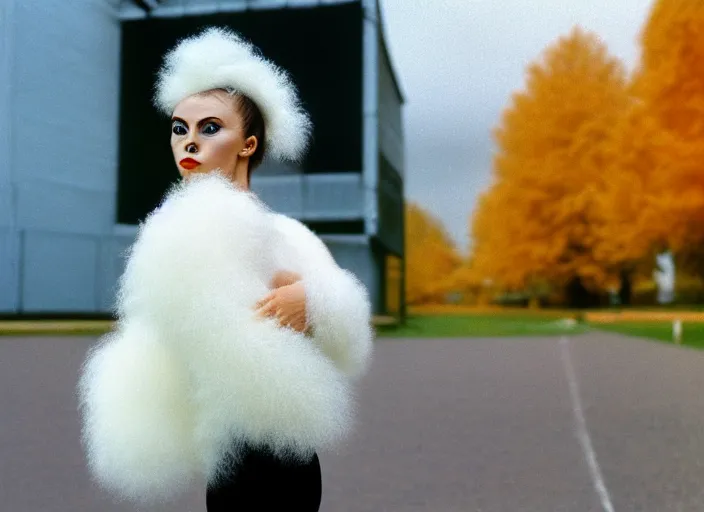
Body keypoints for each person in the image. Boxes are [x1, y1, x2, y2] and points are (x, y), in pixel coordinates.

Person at [78, 27, 373, 511]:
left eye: (210, 128)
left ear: (248, 144)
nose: (189, 142)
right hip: (239, 452)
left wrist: (313, 301)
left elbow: (347, 343)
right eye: (179, 129)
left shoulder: (288, 234)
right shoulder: (177, 229)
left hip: (290, 454)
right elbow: (194, 342)